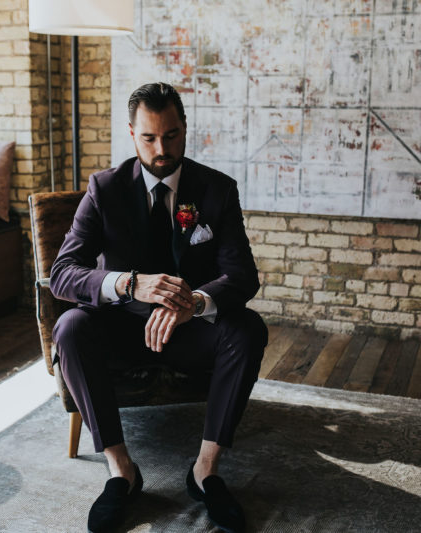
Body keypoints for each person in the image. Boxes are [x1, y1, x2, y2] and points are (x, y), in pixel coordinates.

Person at [50, 82, 268, 533]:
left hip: (189, 333)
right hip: (121, 331)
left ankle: (205, 471)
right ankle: (121, 471)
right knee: (70, 327)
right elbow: (62, 274)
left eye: (170, 135)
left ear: (184, 129)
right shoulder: (104, 189)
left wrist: (195, 302)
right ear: (132, 134)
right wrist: (130, 284)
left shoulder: (217, 191)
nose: (161, 148)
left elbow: (243, 275)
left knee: (248, 329)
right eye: (149, 138)